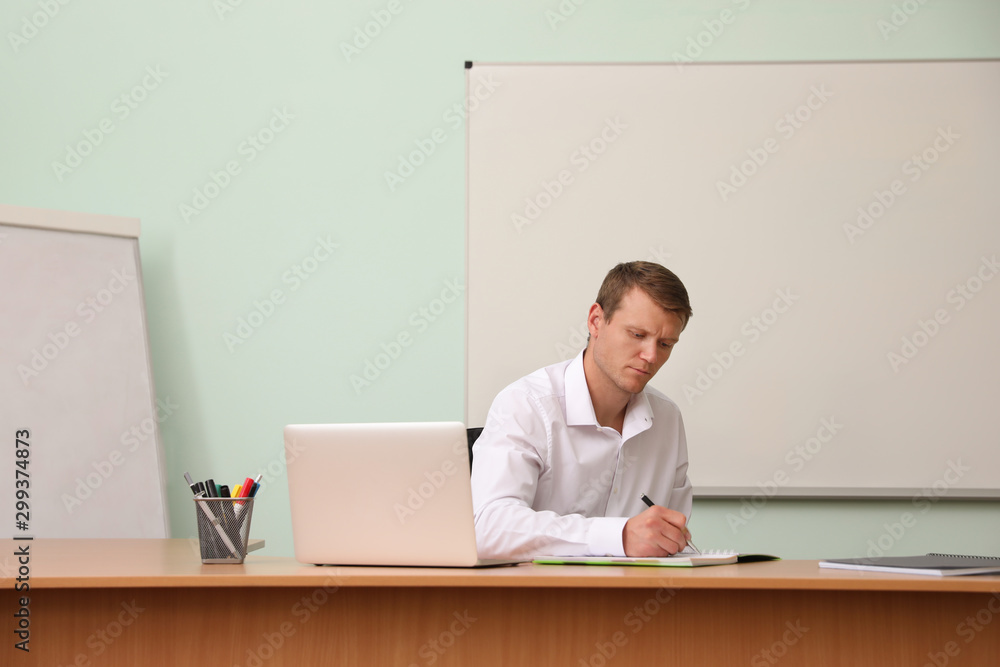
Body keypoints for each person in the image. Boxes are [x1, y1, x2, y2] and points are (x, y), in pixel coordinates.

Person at [471, 261, 694, 559]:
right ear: (596, 321)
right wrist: (619, 536)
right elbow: (488, 527)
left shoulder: (667, 419)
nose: (651, 356)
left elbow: (671, 539)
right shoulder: (525, 404)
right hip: (536, 600)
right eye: (638, 335)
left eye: (666, 344)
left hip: (633, 600)